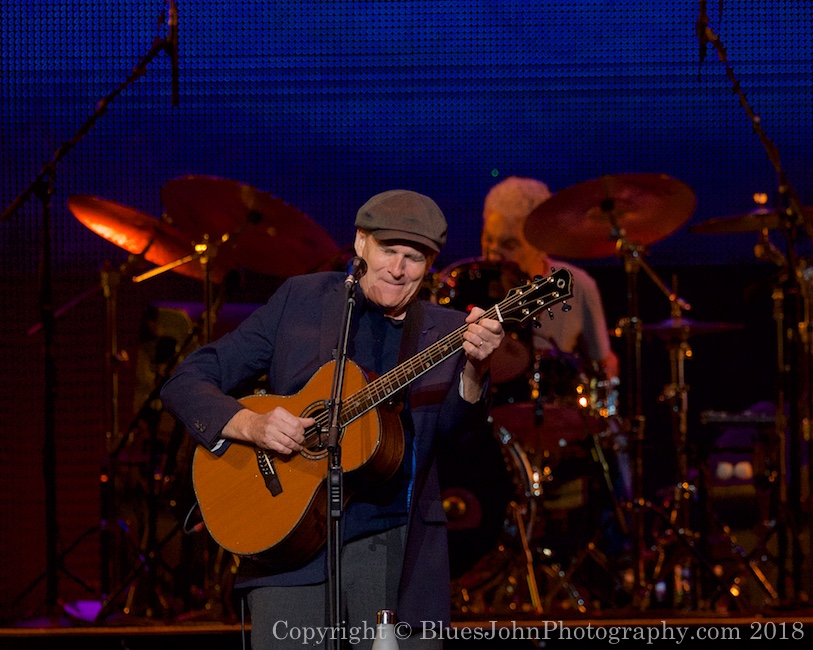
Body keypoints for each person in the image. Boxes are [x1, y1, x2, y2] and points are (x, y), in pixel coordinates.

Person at [160, 189, 505, 648]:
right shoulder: (301, 301)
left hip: (395, 547)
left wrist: (476, 372)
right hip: (287, 546)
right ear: (361, 242)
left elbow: (457, 438)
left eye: (414, 258)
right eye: (388, 251)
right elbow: (189, 380)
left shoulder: (446, 331)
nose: (398, 270)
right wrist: (251, 425)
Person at [479, 175, 631, 569]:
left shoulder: (577, 286)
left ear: (540, 240)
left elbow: (604, 365)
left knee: (613, 447)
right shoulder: (476, 287)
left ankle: (617, 560)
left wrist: (606, 408)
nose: (494, 255)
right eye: (488, 241)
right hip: (489, 419)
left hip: (557, 420)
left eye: (508, 244)